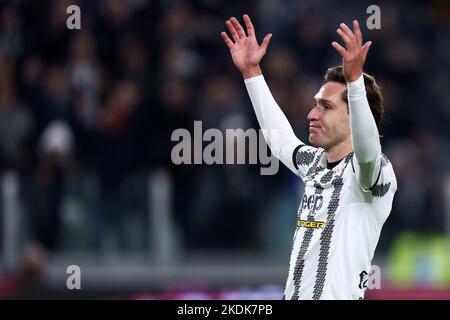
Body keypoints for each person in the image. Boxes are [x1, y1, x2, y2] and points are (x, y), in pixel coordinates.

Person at [221, 15, 397, 300]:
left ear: (354, 115)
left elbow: (367, 153)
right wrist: (252, 72)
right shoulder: (313, 164)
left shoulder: (371, 174)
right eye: (315, 105)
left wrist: (354, 83)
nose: (312, 115)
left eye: (326, 107)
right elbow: (280, 142)